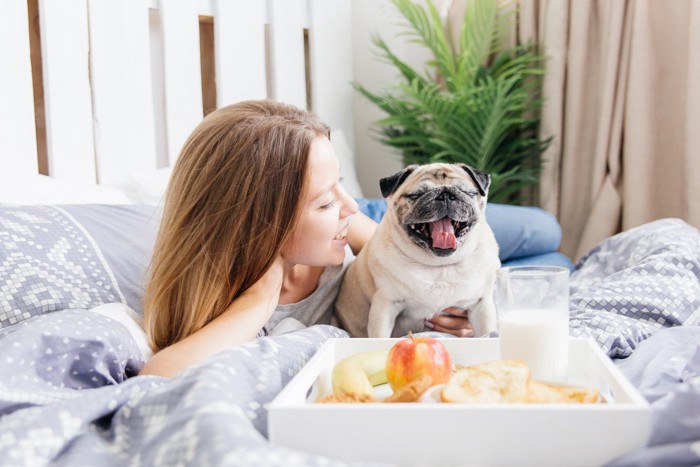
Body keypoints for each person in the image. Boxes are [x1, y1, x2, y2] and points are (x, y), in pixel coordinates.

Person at [140, 100, 473, 378]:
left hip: (414, 217)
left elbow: (414, 266)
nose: (349, 205)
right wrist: (262, 294)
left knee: (527, 230)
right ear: (266, 223)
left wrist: (449, 313)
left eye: (340, 184)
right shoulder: (220, 300)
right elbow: (159, 376)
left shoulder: (346, 225)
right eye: (326, 201)